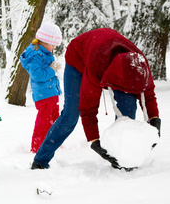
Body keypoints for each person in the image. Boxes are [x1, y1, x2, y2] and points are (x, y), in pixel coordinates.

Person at [31, 28, 161, 170]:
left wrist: (154, 119)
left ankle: (123, 158)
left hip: (113, 58)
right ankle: (40, 160)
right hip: (79, 59)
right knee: (70, 115)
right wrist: (95, 142)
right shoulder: (96, 66)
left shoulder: (140, 64)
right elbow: (88, 109)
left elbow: (148, 94)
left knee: (128, 107)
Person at [20, 23, 63, 153]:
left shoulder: (44, 51)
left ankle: (53, 145)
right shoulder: (35, 55)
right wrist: (52, 69)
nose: (54, 48)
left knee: (55, 120)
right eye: (52, 45)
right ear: (44, 41)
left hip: (51, 92)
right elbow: (38, 75)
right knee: (44, 122)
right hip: (44, 95)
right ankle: (37, 147)